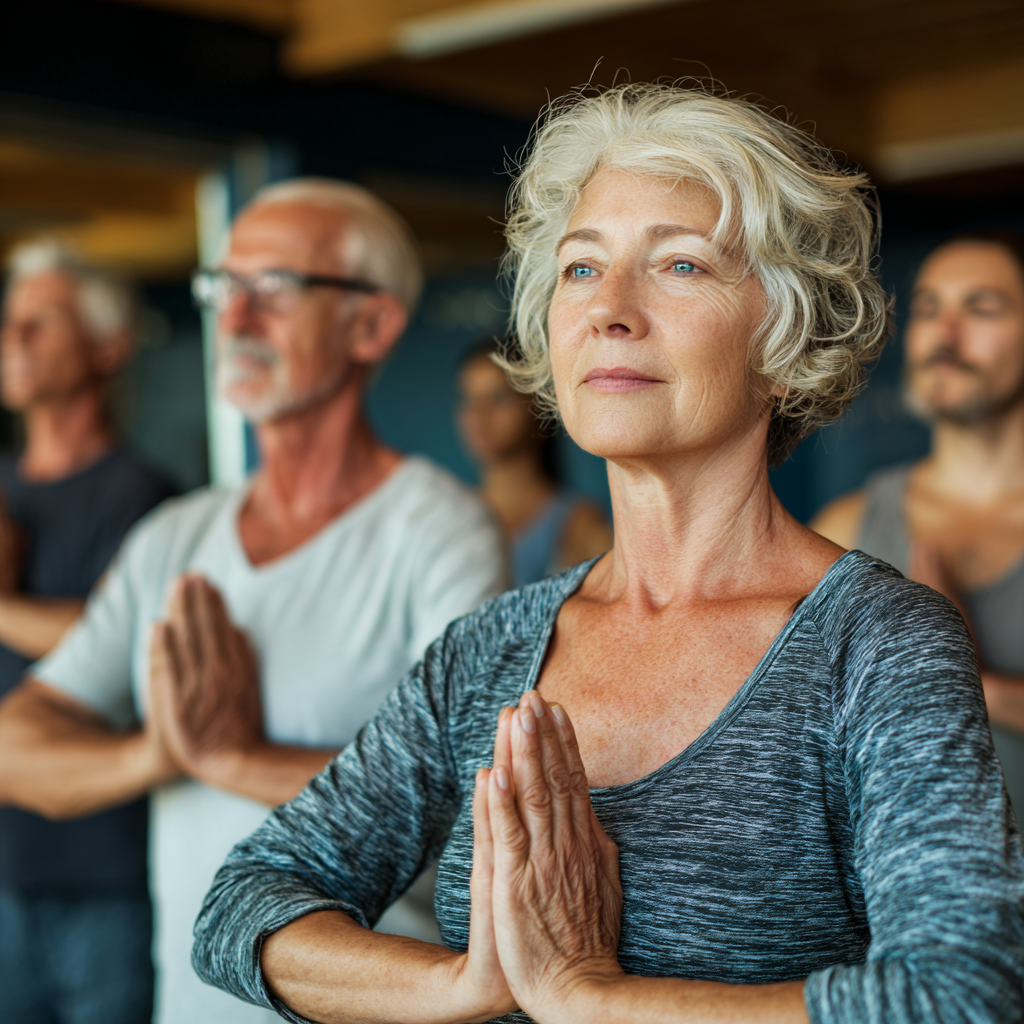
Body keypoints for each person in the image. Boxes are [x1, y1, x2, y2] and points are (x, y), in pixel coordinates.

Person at [193, 86, 1024, 1024]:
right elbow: (243, 905)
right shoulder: (489, 650)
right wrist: (464, 983)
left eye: (679, 264)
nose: (610, 310)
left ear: (786, 342)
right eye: (582, 270)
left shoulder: (876, 643)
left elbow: (961, 994)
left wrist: (591, 999)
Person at [0, 179, 506, 1024]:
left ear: (370, 325)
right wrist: (161, 755)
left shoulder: (441, 531)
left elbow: (477, 805)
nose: (233, 322)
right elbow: (16, 743)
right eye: (221, 290)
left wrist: (238, 757)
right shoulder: (174, 534)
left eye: (272, 291)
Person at [0, 240, 174, 1024]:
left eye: (42, 322)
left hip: (104, 875)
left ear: (107, 348)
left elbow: (128, 642)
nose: (15, 338)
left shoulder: (145, 498)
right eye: (11, 321)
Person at [812, 232, 1024, 817]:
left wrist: (967, 679)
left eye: (981, 308)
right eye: (929, 308)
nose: (944, 334)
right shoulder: (846, 527)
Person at [457, 339, 612, 586]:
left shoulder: (581, 528)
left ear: (541, 406)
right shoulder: (449, 515)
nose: (478, 413)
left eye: (498, 397)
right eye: (469, 398)